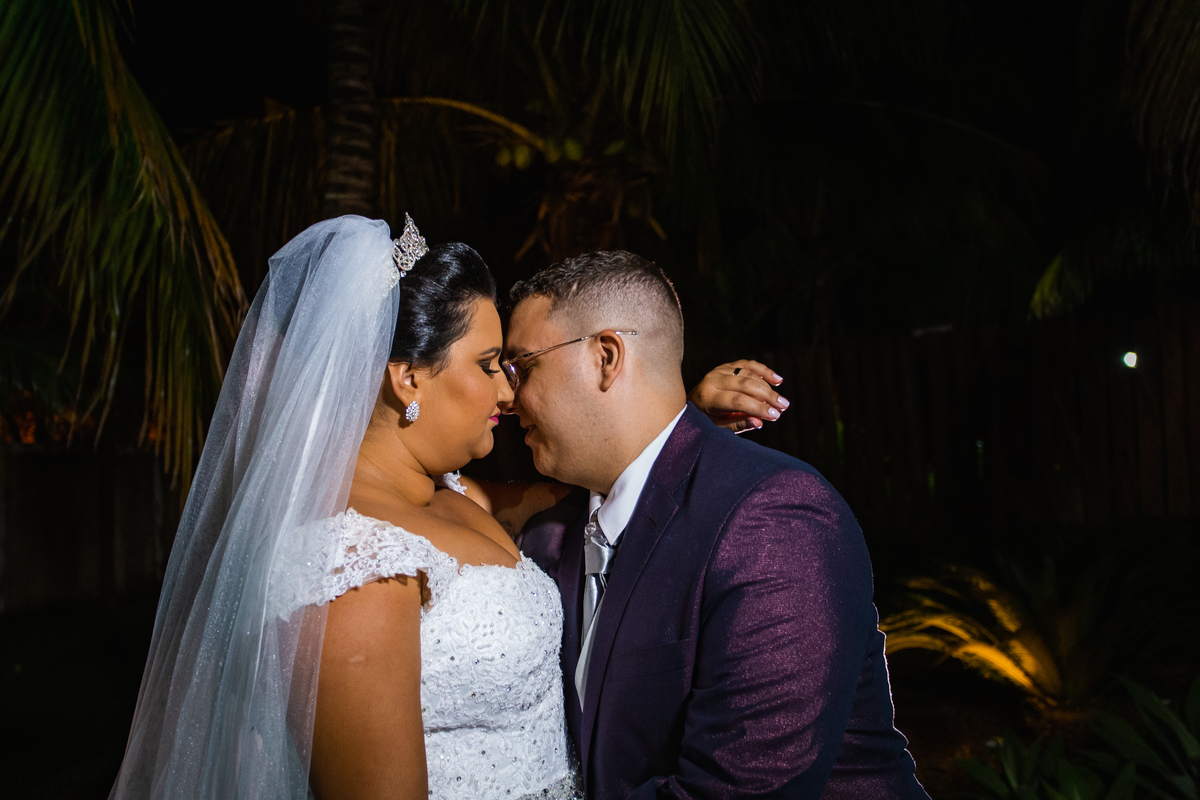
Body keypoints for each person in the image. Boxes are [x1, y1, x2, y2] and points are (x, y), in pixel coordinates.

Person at [109, 215, 775, 800]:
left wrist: (669, 416)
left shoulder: (458, 495)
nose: (507, 394)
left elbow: (600, 481)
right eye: (488, 364)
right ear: (408, 379)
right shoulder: (348, 562)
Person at [505, 250, 931, 799]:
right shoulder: (550, 535)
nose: (508, 398)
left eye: (524, 367)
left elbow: (740, 789)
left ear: (606, 357)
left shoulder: (774, 517)